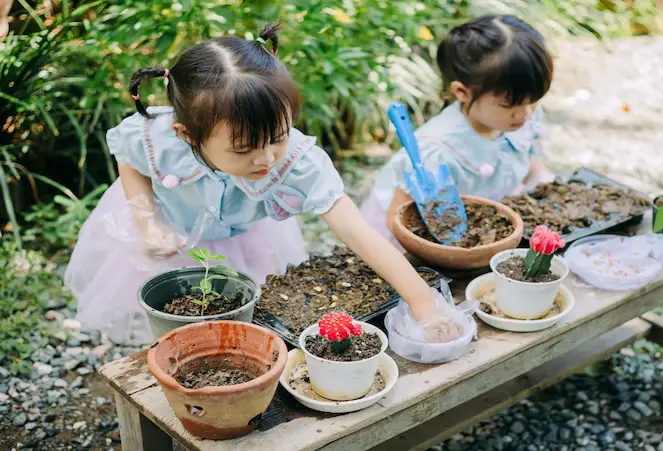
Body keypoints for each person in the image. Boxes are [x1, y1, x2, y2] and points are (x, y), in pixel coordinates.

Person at [64, 25, 460, 345]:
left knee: (238, 317)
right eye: (244, 149)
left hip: (241, 237)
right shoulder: (157, 136)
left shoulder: (299, 164)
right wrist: (148, 222)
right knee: (168, 312)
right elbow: (130, 162)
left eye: (278, 136)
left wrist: (423, 303)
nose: (267, 158)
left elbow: (357, 232)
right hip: (171, 227)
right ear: (188, 135)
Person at [360, 15, 555, 247]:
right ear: (462, 92)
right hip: (409, 241)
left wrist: (545, 187)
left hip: (481, 223)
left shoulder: (517, 120)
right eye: (509, 105)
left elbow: (524, 158)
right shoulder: (435, 151)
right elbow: (398, 220)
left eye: (533, 101)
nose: (526, 114)